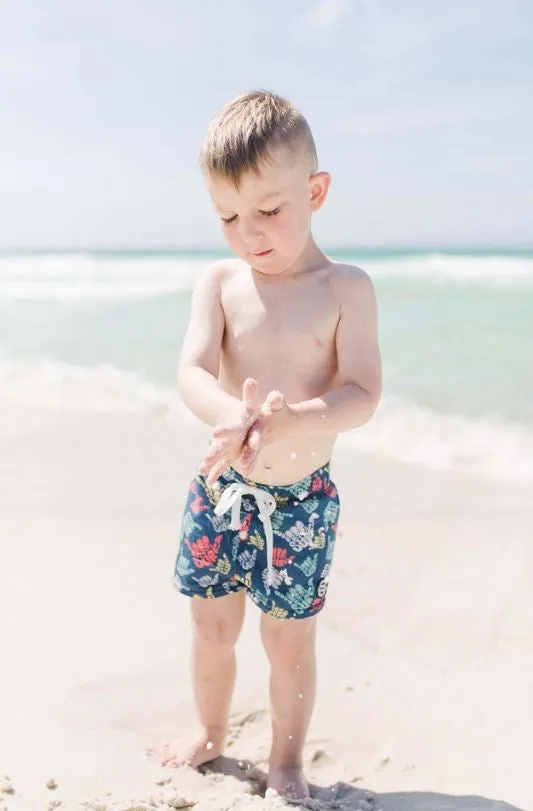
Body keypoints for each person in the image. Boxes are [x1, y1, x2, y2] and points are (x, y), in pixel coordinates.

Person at [152, 89, 382, 801]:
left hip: (301, 501)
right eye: (227, 216)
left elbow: (362, 393)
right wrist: (231, 413)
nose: (247, 233)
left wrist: (292, 421)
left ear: (314, 191)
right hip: (222, 490)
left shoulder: (345, 287)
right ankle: (210, 732)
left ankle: (285, 763)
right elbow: (190, 368)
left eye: (268, 210)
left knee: (287, 641)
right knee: (211, 626)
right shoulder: (220, 283)